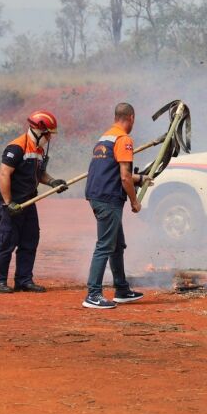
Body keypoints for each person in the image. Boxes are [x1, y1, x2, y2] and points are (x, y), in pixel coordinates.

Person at [82, 102, 151, 309]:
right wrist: (135, 201)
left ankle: (121, 289)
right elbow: (124, 177)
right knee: (105, 246)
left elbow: (110, 171)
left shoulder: (105, 137)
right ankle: (93, 294)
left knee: (117, 245)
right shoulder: (124, 140)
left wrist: (140, 178)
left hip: (98, 195)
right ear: (131, 118)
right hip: (108, 198)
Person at [0, 110, 68, 293]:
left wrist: (52, 182)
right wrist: (8, 203)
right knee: (6, 241)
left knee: (30, 240)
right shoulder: (16, 147)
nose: (50, 137)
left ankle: (24, 280)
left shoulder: (38, 150)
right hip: (11, 203)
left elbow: (39, 174)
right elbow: (3, 174)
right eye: (48, 133)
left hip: (29, 201)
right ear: (38, 130)